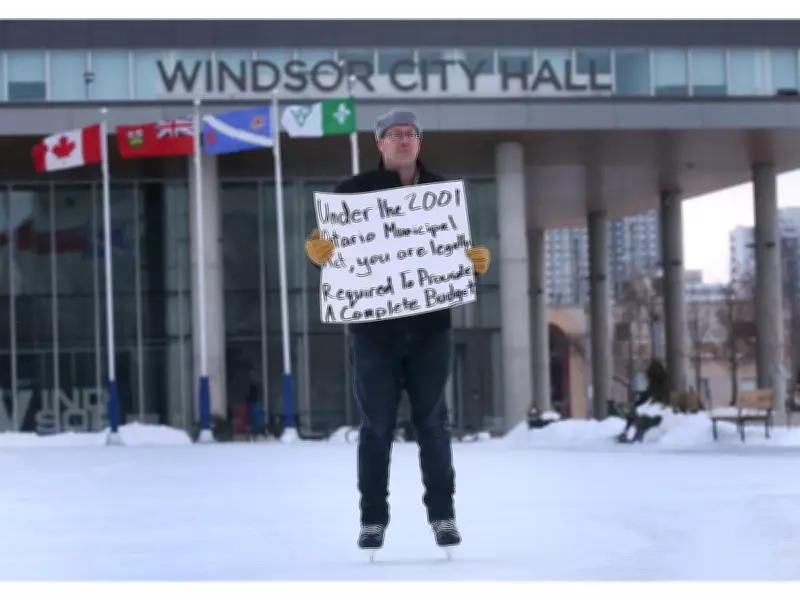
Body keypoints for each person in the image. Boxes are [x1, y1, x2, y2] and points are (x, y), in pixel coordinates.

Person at [304, 108, 491, 554]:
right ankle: (372, 520)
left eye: (411, 133)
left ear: (419, 142)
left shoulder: (443, 194)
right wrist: (320, 255)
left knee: (434, 425)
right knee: (376, 427)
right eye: (394, 134)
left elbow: (450, 260)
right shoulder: (350, 194)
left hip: (431, 330)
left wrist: (472, 267)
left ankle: (443, 517)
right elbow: (338, 260)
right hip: (373, 333)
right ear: (380, 143)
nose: (404, 140)